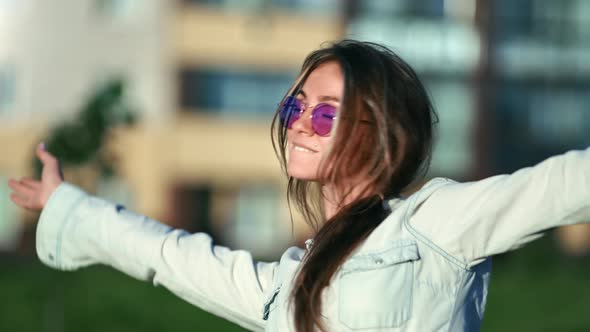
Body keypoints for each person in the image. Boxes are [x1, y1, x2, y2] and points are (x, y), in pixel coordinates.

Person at [7, 40, 590, 332]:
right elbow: (173, 258)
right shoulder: (292, 278)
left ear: (380, 128)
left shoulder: (435, 224)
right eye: (296, 107)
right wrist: (68, 206)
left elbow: (560, 184)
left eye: (326, 113)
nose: (300, 125)